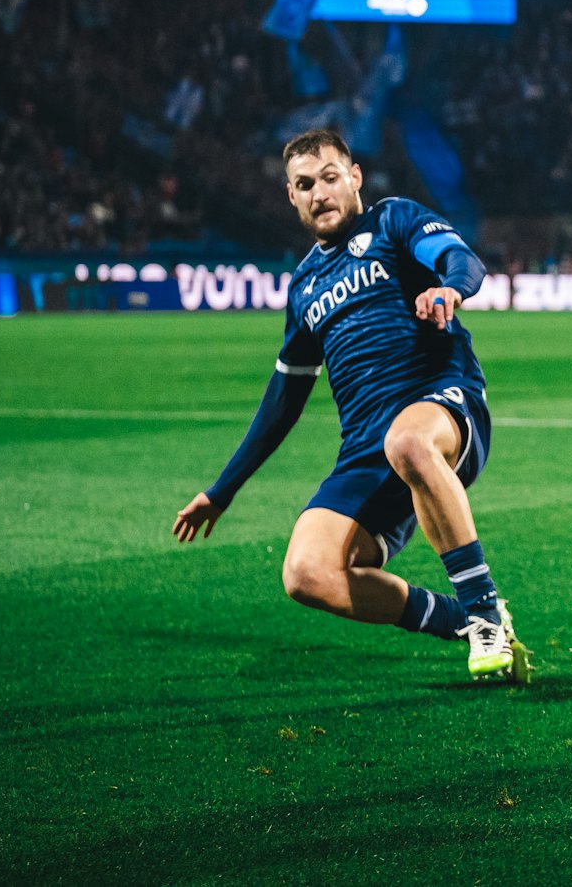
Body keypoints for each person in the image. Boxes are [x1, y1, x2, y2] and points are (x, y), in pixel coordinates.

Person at [172, 129, 527, 682]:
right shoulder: (304, 286)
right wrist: (221, 492)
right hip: (364, 449)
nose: (320, 193)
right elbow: (283, 399)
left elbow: (461, 259)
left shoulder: (393, 220)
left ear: (354, 177)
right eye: (305, 184)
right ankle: (464, 620)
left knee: (407, 441)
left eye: (330, 177)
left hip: (441, 405)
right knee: (307, 574)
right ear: (291, 196)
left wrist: (450, 289)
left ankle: (482, 605)